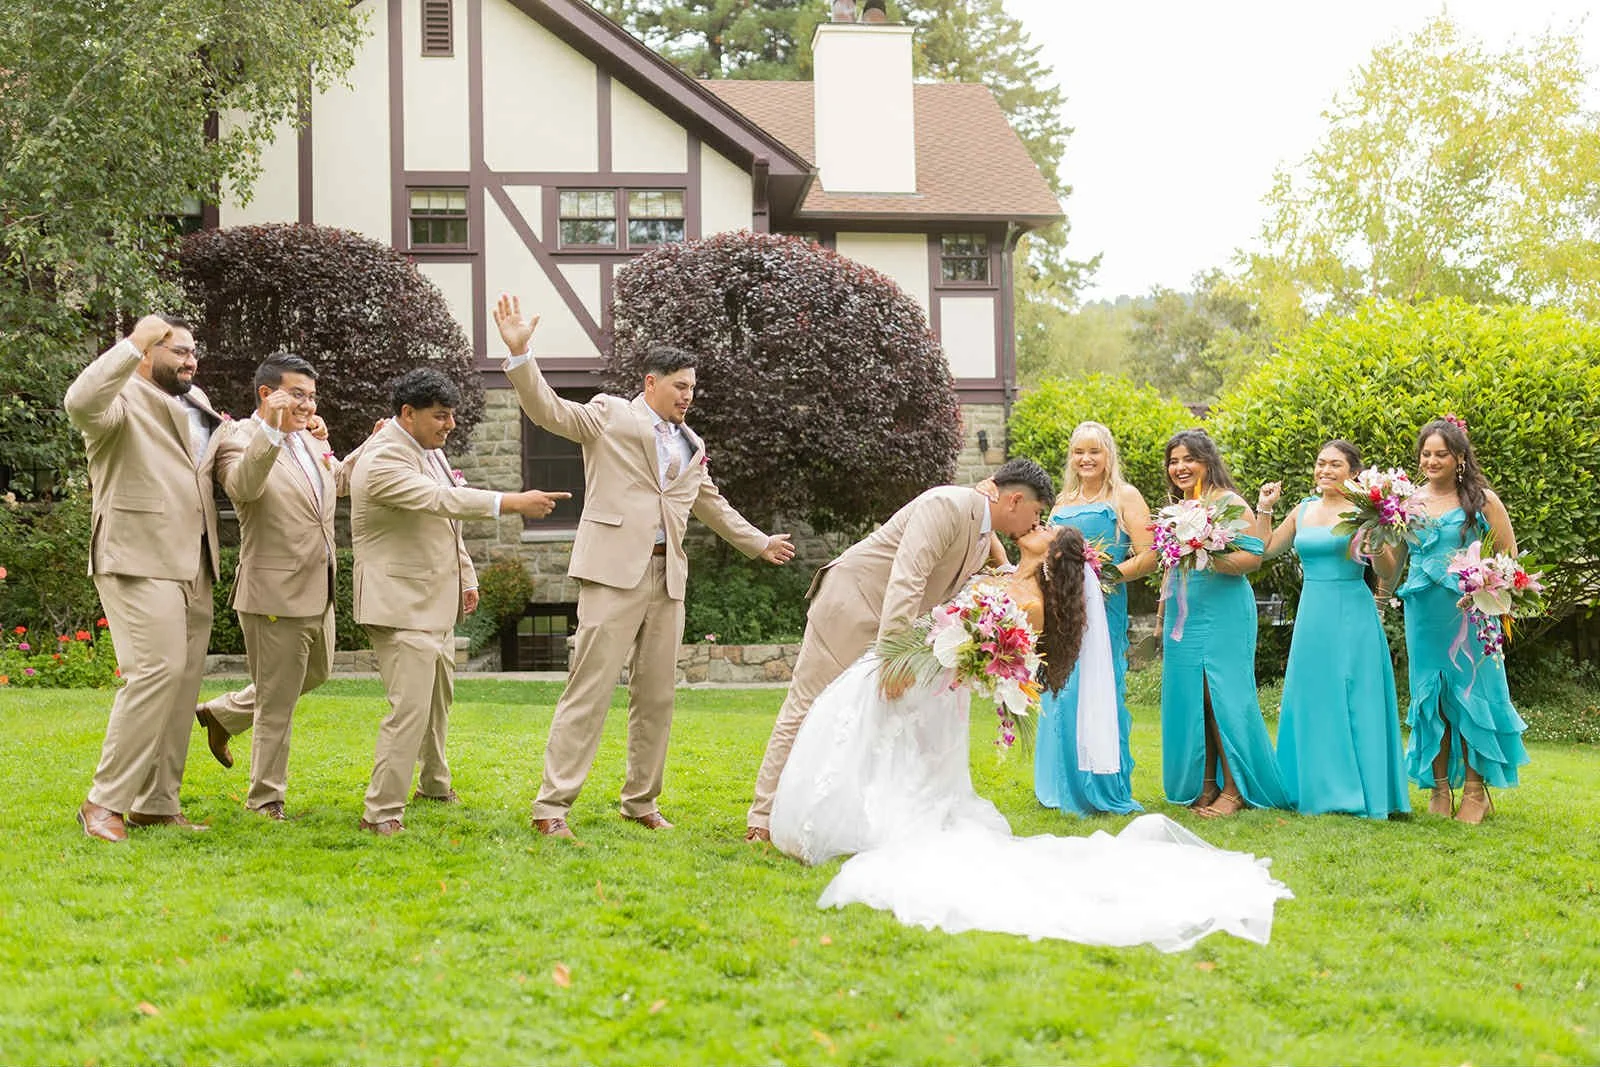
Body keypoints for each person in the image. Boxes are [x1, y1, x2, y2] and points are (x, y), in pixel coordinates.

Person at [769, 525, 1293, 951]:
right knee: (871, 739)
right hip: (921, 663)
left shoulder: (1034, 601)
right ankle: (857, 815)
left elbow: (998, 651)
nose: (1036, 527)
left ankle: (875, 823)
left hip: (932, 676)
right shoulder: (1003, 570)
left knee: (896, 753)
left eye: (1045, 529)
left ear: (1053, 558)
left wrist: (961, 646)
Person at [493, 294, 795, 843]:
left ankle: (641, 802)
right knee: (589, 689)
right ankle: (551, 806)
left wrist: (758, 543)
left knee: (657, 696)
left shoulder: (691, 444)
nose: (688, 397)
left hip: (667, 576)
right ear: (651, 382)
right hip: (612, 572)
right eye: (681, 386)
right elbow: (550, 411)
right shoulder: (610, 414)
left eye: (694, 389)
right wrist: (521, 356)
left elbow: (710, 501)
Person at [745, 458, 1055, 842]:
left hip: (887, 620)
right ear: (1015, 500)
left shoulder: (982, 535)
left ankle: (838, 814)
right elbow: (908, 578)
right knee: (804, 706)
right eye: (1037, 513)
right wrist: (894, 658)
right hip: (850, 606)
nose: (1035, 523)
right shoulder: (946, 505)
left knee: (859, 720)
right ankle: (760, 818)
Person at [349, 367, 569, 835]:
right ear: (407, 414)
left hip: (434, 600)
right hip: (398, 602)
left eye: (451, 416)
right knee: (408, 709)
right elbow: (440, 501)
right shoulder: (385, 456)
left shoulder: (425, 448)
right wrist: (511, 502)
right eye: (440, 416)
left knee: (436, 702)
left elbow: (447, 525)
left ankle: (433, 783)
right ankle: (381, 813)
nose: (449, 425)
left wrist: (466, 576)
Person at [63, 315, 225, 841]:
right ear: (147, 353)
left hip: (195, 560)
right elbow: (79, 402)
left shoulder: (194, 401)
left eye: (193, 351)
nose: (190, 360)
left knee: (181, 684)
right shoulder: (118, 401)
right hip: (137, 555)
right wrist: (132, 341)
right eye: (177, 350)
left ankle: (157, 801)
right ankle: (103, 802)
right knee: (155, 670)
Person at [193, 353, 344, 821]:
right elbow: (243, 487)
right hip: (273, 591)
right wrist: (275, 432)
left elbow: (334, 484)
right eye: (297, 394)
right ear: (267, 393)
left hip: (320, 586)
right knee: (277, 702)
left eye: (312, 396)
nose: (307, 405)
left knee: (313, 675)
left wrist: (366, 450)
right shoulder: (238, 437)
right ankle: (266, 800)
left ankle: (222, 713)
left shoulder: (310, 441)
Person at [1255, 440, 1410, 820]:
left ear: (1353, 472)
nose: (1324, 470)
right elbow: (1266, 548)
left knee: (1357, 696)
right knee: (1315, 696)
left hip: (1353, 609)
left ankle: (1363, 789)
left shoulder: (1363, 511)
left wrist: (1374, 533)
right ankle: (1312, 785)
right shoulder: (1304, 509)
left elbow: (1389, 571)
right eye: (1320, 463)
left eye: (1334, 464)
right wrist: (1265, 509)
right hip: (1313, 614)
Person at [1389, 418, 1528, 823]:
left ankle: (1473, 789)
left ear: (1459, 458)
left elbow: (1509, 557)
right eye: (1426, 454)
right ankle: (1438, 786)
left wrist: (1486, 583)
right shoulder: (1407, 502)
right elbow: (1392, 565)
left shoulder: (1482, 500)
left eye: (1441, 454)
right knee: (1431, 699)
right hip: (1423, 611)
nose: (1431, 461)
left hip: (1469, 613)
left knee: (1469, 694)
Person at [1147, 429, 1287, 817]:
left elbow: (1252, 559)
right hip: (1182, 612)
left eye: (1188, 459)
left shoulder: (1229, 503)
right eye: (1173, 461)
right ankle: (1204, 784)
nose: (1180, 467)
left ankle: (1235, 788)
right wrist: (1160, 617)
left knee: (1219, 695)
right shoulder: (1178, 509)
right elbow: (1170, 566)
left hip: (1223, 610)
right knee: (1192, 696)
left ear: (1207, 461)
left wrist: (1205, 552)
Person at [1034, 421, 1154, 816]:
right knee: (1061, 690)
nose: (1086, 459)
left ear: (1108, 456)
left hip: (1104, 608)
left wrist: (1103, 576)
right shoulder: (1062, 502)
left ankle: (1100, 784)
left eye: (1094, 452)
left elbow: (1149, 555)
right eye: (1078, 452)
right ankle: (1059, 783)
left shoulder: (1125, 496)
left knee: (1099, 690)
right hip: (1062, 610)